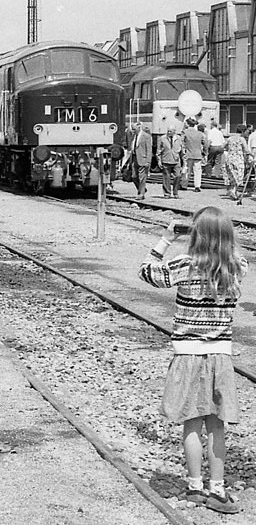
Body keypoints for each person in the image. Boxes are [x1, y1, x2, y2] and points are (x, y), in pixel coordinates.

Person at [138, 207, 247, 514]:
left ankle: (195, 487)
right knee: (216, 425)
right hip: (219, 356)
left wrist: (165, 239)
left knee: (191, 422)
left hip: (187, 354)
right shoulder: (237, 266)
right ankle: (217, 488)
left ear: (195, 234)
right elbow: (232, 253)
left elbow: (146, 271)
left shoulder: (184, 265)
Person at [222, 124, 251, 201]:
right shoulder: (242, 139)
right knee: (239, 176)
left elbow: (222, 146)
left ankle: (233, 191)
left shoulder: (230, 138)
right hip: (238, 159)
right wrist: (251, 154)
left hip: (229, 158)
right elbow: (246, 149)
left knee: (232, 176)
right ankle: (233, 191)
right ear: (242, 131)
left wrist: (229, 149)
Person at [181, 119, 207, 192]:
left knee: (187, 170)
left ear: (188, 124)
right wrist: (204, 153)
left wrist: (183, 152)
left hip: (188, 154)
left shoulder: (185, 132)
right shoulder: (200, 133)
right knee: (198, 171)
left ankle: (184, 185)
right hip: (198, 154)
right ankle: (197, 186)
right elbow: (205, 144)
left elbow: (182, 142)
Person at [158, 126, 183, 198]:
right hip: (166, 160)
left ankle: (175, 192)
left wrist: (184, 162)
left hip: (176, 160)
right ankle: (167, 193)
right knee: (166, 177)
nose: (168, 133)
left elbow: (182, 151)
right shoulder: (162, 138)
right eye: (168, 131)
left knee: (178, 176)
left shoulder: (179, 139)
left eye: (170, 131)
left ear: (174, 132)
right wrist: (159, 160)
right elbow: (158, 151)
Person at [130, 123, 152, 200]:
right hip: (134, 158)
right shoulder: (134, 136)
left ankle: (141, 193)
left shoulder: (146, 136)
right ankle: (142, 189)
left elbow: (149, 149)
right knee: (133, 176)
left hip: (143, 159)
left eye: (134, 129)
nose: (133, 131)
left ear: (139, 127)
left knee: (142, 177)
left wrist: (148, 161)